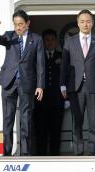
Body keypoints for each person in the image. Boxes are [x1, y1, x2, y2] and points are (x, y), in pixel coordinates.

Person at [0, 10, 45, 156]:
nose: (18, 27)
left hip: (27, 83)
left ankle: (25, 153)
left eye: (21, 24)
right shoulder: (10, 35)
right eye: (15, 24)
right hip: (9, 82)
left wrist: (40, 85)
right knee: (8, 118)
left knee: (26, 119)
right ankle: (6, 152)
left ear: (28, 23)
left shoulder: (36, 39)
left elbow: (40, 64)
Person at [60, 9, 95, 155]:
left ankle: (93, 153)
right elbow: (64, 65)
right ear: (78, 23)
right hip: (75, 87)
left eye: (88, 21)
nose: (85, 24)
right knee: (77, 122)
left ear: (92, 23)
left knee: (94, 123)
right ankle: (78, 154)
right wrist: (62, 84)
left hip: (93, 87)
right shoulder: (70, 41)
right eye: (82, 21)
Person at [34, 29, 64, 156]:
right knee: (41, 131)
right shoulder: (37, 56)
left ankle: (55, 158)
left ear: (56, 41)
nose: (50, 42)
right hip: (41, 101)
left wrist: (66, 99)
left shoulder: (62, 56)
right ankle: (41, 158)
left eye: (52, 39)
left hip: (58, 101)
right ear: (42, 41)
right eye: (47, 39)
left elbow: (66, 78)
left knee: (55, 131)